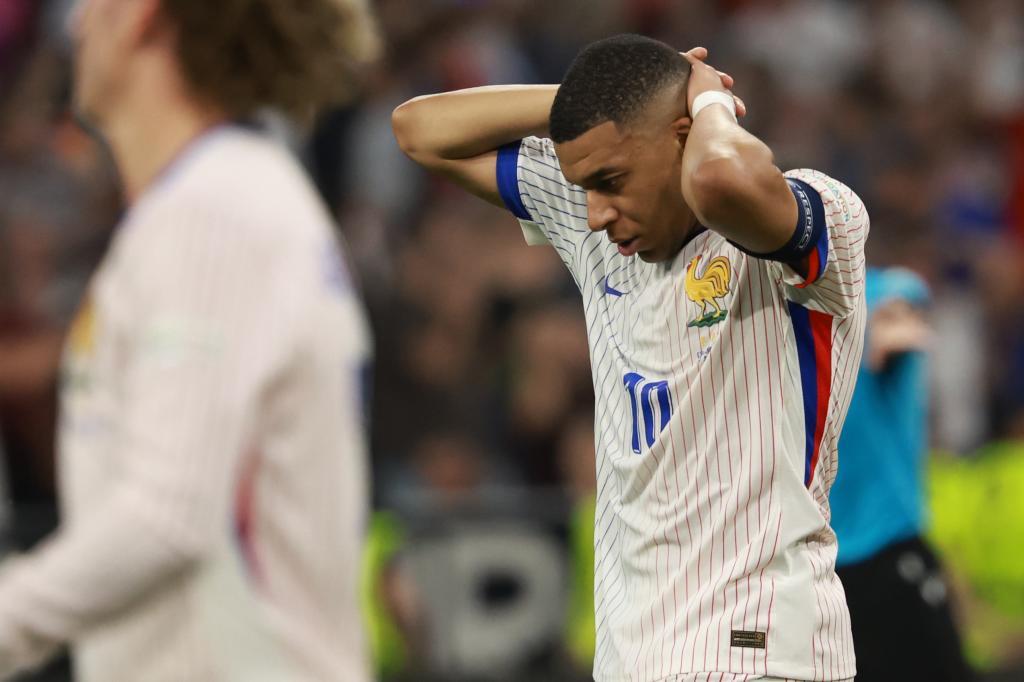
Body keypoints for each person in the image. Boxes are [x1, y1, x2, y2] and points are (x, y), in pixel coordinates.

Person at [393, 34, 869, 681]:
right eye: (584, 185)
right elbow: (420, 129)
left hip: (757, 652)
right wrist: (592, 105)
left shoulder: (815, 223)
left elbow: (720, 176)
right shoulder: (603, 232)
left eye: (611, 181)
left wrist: (705, 102)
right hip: (637, 660)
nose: (592, 214)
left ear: (682, 135)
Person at [0, 0, 377, 679]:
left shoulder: (214, 211)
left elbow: (165, 519)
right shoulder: (221, 201)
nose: (79, 24)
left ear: (144, 14)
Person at [830, 266, 972, 682]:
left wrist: (886, 318)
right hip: (824, 568)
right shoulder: (780, 318)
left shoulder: (871, 292)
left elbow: (905, 297)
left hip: (890, 550)